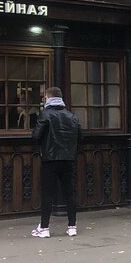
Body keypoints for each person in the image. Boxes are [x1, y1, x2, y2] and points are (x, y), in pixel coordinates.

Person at [32, 86, 82, 238]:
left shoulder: (45, 115)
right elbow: (80, 136)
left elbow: (36, 136)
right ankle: (72, 226)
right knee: (70, 193)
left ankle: (44, 228)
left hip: (50, 159)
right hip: (68, 158)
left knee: (47, 193)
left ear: (48, 98)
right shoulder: (72, 116)